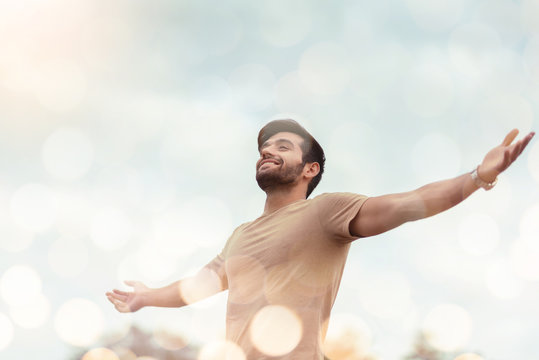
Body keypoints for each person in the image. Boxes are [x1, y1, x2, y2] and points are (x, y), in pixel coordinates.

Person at [106, 119, 535, 359]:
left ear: (309, 170)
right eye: (265, 147)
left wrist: (479, 177)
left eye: (284, 147)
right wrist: (146, 298)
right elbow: (192, 289)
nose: (268, 151)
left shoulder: (326, 211)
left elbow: (410, 203)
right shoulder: (240, 236)